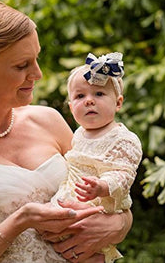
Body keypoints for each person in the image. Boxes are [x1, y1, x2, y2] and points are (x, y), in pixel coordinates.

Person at [0, 0, 133, 263]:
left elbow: (115, 195)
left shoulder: (49, 120)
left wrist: (120, 224)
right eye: (22, 65)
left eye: (36, 59)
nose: (38, 73)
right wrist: (19, 222)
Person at [51, 52, 143, 262]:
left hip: (100, 208)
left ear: (118, 103)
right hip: (71, 203)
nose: (89, 101)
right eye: (80, 96)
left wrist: (102, 186)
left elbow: (124, 174)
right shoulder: (78, 135)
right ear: (71, 105)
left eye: (99, 94)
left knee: (93, 255)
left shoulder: (123, 138)